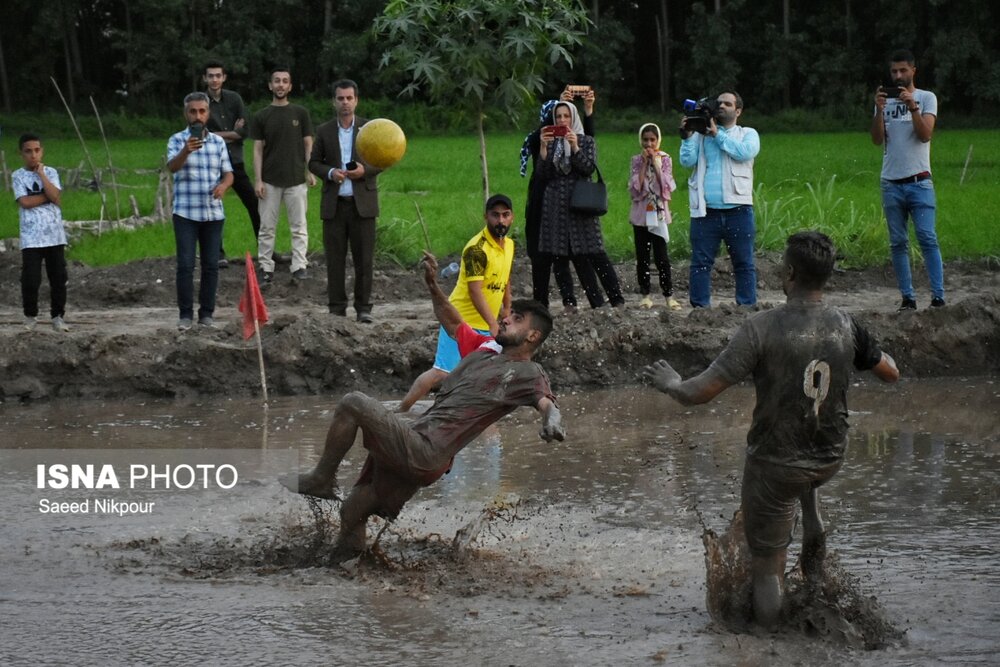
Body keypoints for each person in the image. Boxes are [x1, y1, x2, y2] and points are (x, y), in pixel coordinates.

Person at [641, 231, 900, 629]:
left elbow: (701, 392)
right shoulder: (847, 324)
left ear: (790, 272)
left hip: (777, 462)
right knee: (806, 474)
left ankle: (774, 642)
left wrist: (672, 383)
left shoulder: (761, 328)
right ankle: (814, 526)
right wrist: (867, 354)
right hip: (830, 455)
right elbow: (890, 373)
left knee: (767, 565)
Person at [282, 251, 565, 557]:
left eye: (517, 319)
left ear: (533, 335)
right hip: (420, 446)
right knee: (352, 510)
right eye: (510, 314)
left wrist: (551, 422)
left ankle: (321, 478)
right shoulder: (485, 350)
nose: (506, 317)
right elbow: (452, 320)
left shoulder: (528, 372)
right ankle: (349, 570)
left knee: (353, 403)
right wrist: (432, 286)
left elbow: (546, 403)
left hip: (427, 450)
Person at [397, 193, 516, 412]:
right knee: (442, 372)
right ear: (486, 217)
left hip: (488, 322)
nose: (500, 221)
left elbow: (505, 278)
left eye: (505, 215)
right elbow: (474, 291)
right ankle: (402, 410)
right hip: (460, 320)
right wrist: (493, 322)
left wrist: (506, 310)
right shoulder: (476, 250)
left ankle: (476, 420)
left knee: (485, 377)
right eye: (495, 215)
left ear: (512, 218)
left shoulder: (508, 245)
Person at [870, 48, 944, 310]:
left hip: (919, 181)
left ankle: (938, 296)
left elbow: (925, 135)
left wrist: (912, 107)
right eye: (894, 71)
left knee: (927, 237)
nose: (898, 76)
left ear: (914, 70)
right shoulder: (884, 101)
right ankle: (908, 298)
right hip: (891, 183)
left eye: (903, 70)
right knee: (898, 242)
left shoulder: (926, 98)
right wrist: (879, 110)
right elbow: (877, 139)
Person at [537, 100, 624, 311]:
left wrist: (575, 147)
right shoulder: (551, 143)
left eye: (566, 116)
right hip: (555, 205)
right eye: (558, 117)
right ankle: (571, 302)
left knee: (594, 252)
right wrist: (543, 148)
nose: (562, 120)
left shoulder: (586, 141)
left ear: (573, 117)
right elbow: (543, 174)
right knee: (559, 255)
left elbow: (588, 169)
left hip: (580, 204)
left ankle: (617, 299)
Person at [308, 79, 382, 322]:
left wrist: (365, 171)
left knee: (364, 260)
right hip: (335, 205)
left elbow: (381, 159)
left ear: (356, 100)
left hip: (363, 204)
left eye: (349, 98)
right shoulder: (324, 131)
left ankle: (364, 309)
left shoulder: (369, 129)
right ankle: (337, 309)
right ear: (334, 101)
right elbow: (313, 162)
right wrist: (330, 173)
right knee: (335, 261)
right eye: (341, 98)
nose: (345, 103)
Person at [679, 91, 760, 308]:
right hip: (706, 212)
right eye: (719, 102)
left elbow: (744, 152)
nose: (722, 106)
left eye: (727, 103)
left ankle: (746, 308)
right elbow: (687, 161)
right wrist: (687, 137)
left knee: (744, 263)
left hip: (739, 211)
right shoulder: (701, 134)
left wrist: (717, 135)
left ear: (738, 110)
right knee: (700, 264)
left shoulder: (747, 134)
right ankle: (700, 309)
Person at [166, 92, 234, 331]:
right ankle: (185, 315)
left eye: (202, 111)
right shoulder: (176, 140)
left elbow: (229, 173)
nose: (197, 116)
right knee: (185, 264)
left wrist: (224, 186)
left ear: (208, 113)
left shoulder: (217, 142)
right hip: (185, 212)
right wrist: (186, 151)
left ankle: (207, 314)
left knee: (211, 265)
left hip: (213, 213)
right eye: (193, 111)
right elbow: (172, 167)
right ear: (186, 113)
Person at [250, 67, 316, 285]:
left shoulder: (300, 113)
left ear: (290, 86)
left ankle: (299, 266)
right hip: (269, 181)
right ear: (270, 85)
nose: (280, 85)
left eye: (284, 81)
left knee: (299, 226)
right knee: (267, 227)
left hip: (296, 179)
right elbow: (258, 149)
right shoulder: (261, 116)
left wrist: (311, 170)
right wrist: (258, 180)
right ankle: (266, 267)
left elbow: (308, 144)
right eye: (276, 81)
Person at [203, 60, 261, 268]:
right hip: (211, 163)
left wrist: (216, 135)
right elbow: (200, 135)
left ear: (224, 77)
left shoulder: (234, 99)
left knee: (255, 204)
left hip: (235, 163)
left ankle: (265, 251)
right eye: (211, 76)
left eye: (218, 75)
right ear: (205, 78)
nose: (215, 79)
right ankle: (217, 254)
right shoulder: (201, 102)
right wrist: (231, 134)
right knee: (213, 206)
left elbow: (243, 132)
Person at [13, 133, 70, 332]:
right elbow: (25, 202)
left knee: (58, 277)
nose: (33, 155)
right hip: (31, 237)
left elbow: (56, 194)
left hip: (54, 235)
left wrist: (42, 175)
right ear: (22, 153)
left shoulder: (51, 172)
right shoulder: (17, 176)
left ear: (42, 151)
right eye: (28, 151)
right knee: (31, 279)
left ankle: (58, 317)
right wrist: (48, 197)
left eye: (37, 150)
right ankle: (30, 316)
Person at [628, 122, 682, 310]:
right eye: (645, 140)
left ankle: (669, 295)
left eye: (652, 140)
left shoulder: (665, 158)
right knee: (642, 256)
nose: (649, 144)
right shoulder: (636, 160)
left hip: (658, 213)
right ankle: (645, 294)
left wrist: (656, 165)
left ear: (658, 140)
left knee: (662, 257)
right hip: (641, 214)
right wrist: (644, 164)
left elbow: (666, 186)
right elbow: (636, 188)